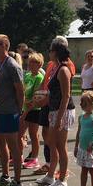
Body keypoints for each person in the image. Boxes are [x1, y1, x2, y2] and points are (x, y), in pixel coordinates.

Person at [33, 37, 76, 177]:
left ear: (56, 52)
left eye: (50, 50)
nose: (49, 52)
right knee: (51, 143)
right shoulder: (55, 67)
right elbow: (53, 92)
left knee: (60, 146)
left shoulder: (63, 69)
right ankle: (50, 175)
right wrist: (43, 101)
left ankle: (62, 179)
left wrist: (59, 119)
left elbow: (66, 96)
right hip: (54, 109)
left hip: (62, 111)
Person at [0, 34, 25, 186]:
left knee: (13, 146)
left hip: (10, 111)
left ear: (4, 46)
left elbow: (20, 91)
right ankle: (5, 176)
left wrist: (19, 111)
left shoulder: (12, 65)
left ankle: (17, 181)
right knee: (0, 144)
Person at [21, 52, 45, 169]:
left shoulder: (39, 77)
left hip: (34, 109)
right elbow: (23, 91)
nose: (31, 64)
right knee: (19, 133)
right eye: (30, 62)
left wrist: (26, 110)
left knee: (33, 135)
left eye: (34, 62)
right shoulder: (28, 75)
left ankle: (34, 159)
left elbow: (36, 97)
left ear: (39, 64)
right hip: (25, 108)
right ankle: (18, 156)